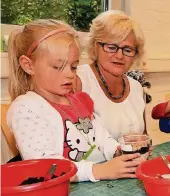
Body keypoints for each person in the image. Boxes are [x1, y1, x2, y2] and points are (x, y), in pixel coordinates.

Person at [7, 19, 140, 182]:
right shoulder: (26, 108)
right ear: (28, 65)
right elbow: (47, 166)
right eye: (58, 66)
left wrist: (117, 151)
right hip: (64, 195)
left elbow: (101, 137)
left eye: (74, 66)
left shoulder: (79, 100)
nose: (69, 74)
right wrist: (97, 171)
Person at [75, 10, 147, 140]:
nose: (120, 56)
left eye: (127, 49)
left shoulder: (137, 87)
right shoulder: (78, 80)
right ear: (96, 46)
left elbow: (144, 137)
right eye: (112, 47)